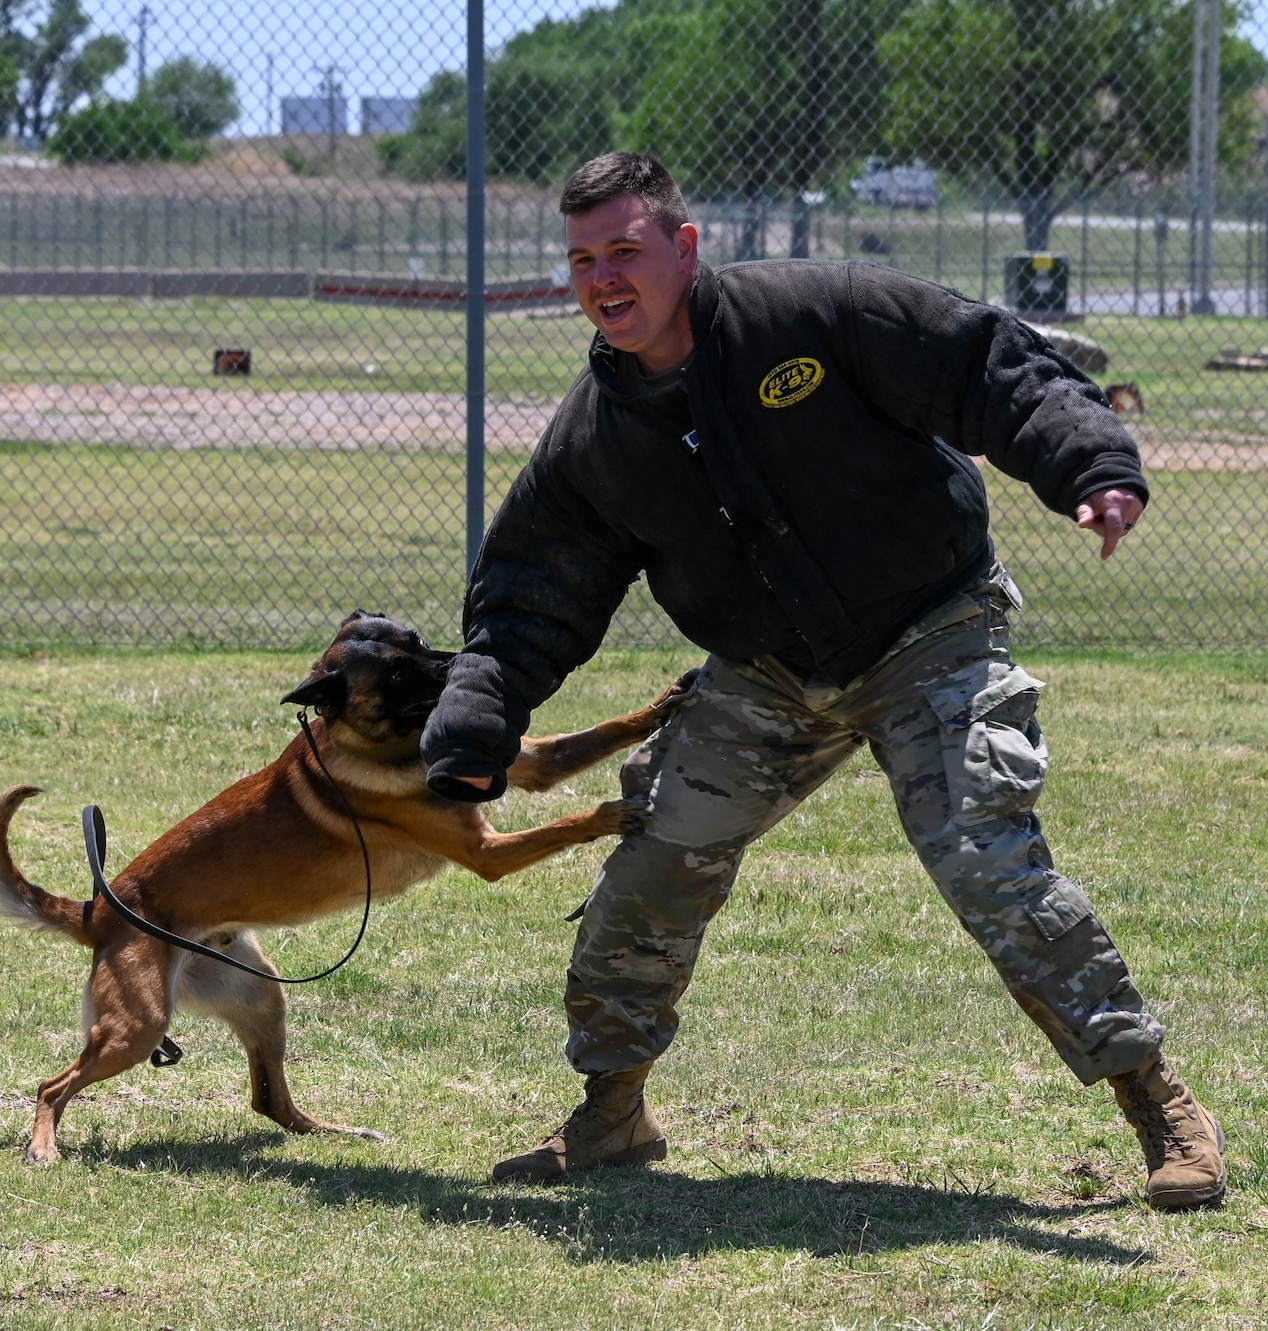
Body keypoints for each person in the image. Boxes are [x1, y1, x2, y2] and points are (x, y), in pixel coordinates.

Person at [420, 152, 1224, 1210]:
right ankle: (610, 1111)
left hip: (929, 630)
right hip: (767, 673)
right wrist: (474, 723)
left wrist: (1090, 465)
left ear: (682, 245)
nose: (603, 277)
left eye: (624, 249)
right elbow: (530, 598)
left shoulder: (812, 311)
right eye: (580, 260)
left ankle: (1155, 1100)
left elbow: (981, 361)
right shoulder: (595, 438)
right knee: (652, 862)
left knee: (984, 856)